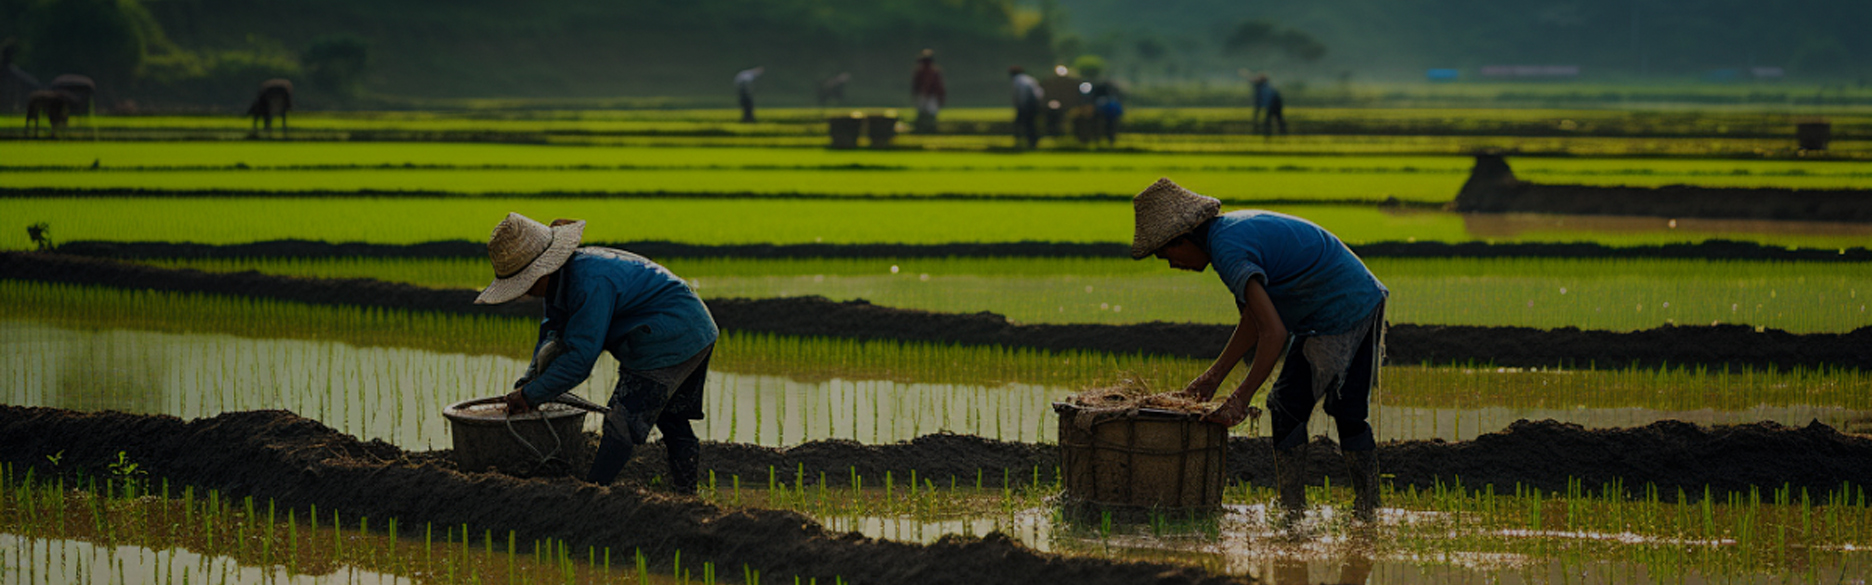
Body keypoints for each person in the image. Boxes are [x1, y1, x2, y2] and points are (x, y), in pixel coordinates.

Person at [1129, 178, 1387, 522]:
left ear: (1183, 238)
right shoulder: (1226, 236)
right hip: (1324, 310)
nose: (1172, 264)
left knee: (1342, 409)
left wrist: (1241, 396)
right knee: (1290, 405)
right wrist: (1212, 378)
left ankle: (1358, 510)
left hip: (1348, 306)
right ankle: (1299, 509)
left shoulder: (1228, 249)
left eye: (1167, 254)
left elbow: (1274, 332)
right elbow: (1253, 320)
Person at [477, 213, 719, 493]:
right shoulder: (563, 280)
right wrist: (528, 381)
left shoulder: (589, 282)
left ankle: (591, 495)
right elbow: (552, 333)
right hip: (691, 327)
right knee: (669, 416)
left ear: (543, 269)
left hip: (671, 337)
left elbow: (579, 359)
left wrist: (531, 395)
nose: (527, 292)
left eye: (527, 282)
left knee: (622, 422)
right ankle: (686, 496)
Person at [1008, 65, 1044, 149]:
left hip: (1025, 105)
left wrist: (1020, 106)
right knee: (1031, 125)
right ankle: (1032, 142)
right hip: (1034, 104)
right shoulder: (1030, 79)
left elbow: (1020, 95)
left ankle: (1020, 142)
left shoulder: (1017, 80)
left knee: (1021, 124)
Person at [910, 50, 946, 133]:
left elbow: (939, 85)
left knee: (931, 113)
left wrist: (940, 96)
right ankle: (921, 129)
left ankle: (930, 129)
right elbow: (915, 85)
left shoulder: (934, 71)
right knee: (922, 112)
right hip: (922, 95)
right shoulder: (919, 72)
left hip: (931, 96)